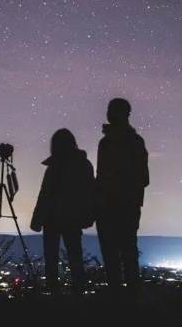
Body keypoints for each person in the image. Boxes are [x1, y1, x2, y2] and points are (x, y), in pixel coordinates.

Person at [30, 128, 95, 294]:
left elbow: (44, 195)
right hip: (72, 218)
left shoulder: (53, 167)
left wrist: (37, 220)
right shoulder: (83, 165)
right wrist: (88, 215)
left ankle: (55, 294)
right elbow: (90, 192)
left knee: (52, 259)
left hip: (52, 219)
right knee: (75, 257)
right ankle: (78, 294)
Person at [95, 97, 149, 294]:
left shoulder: (123, 143)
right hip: (122, 207)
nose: (108, 114)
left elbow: (143, 177)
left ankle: (122, 300)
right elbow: (144, 178)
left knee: (118, 254)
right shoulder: (111, 143)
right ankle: (127, 300)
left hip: (120, 206)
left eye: (112, 110)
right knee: (123, 254)